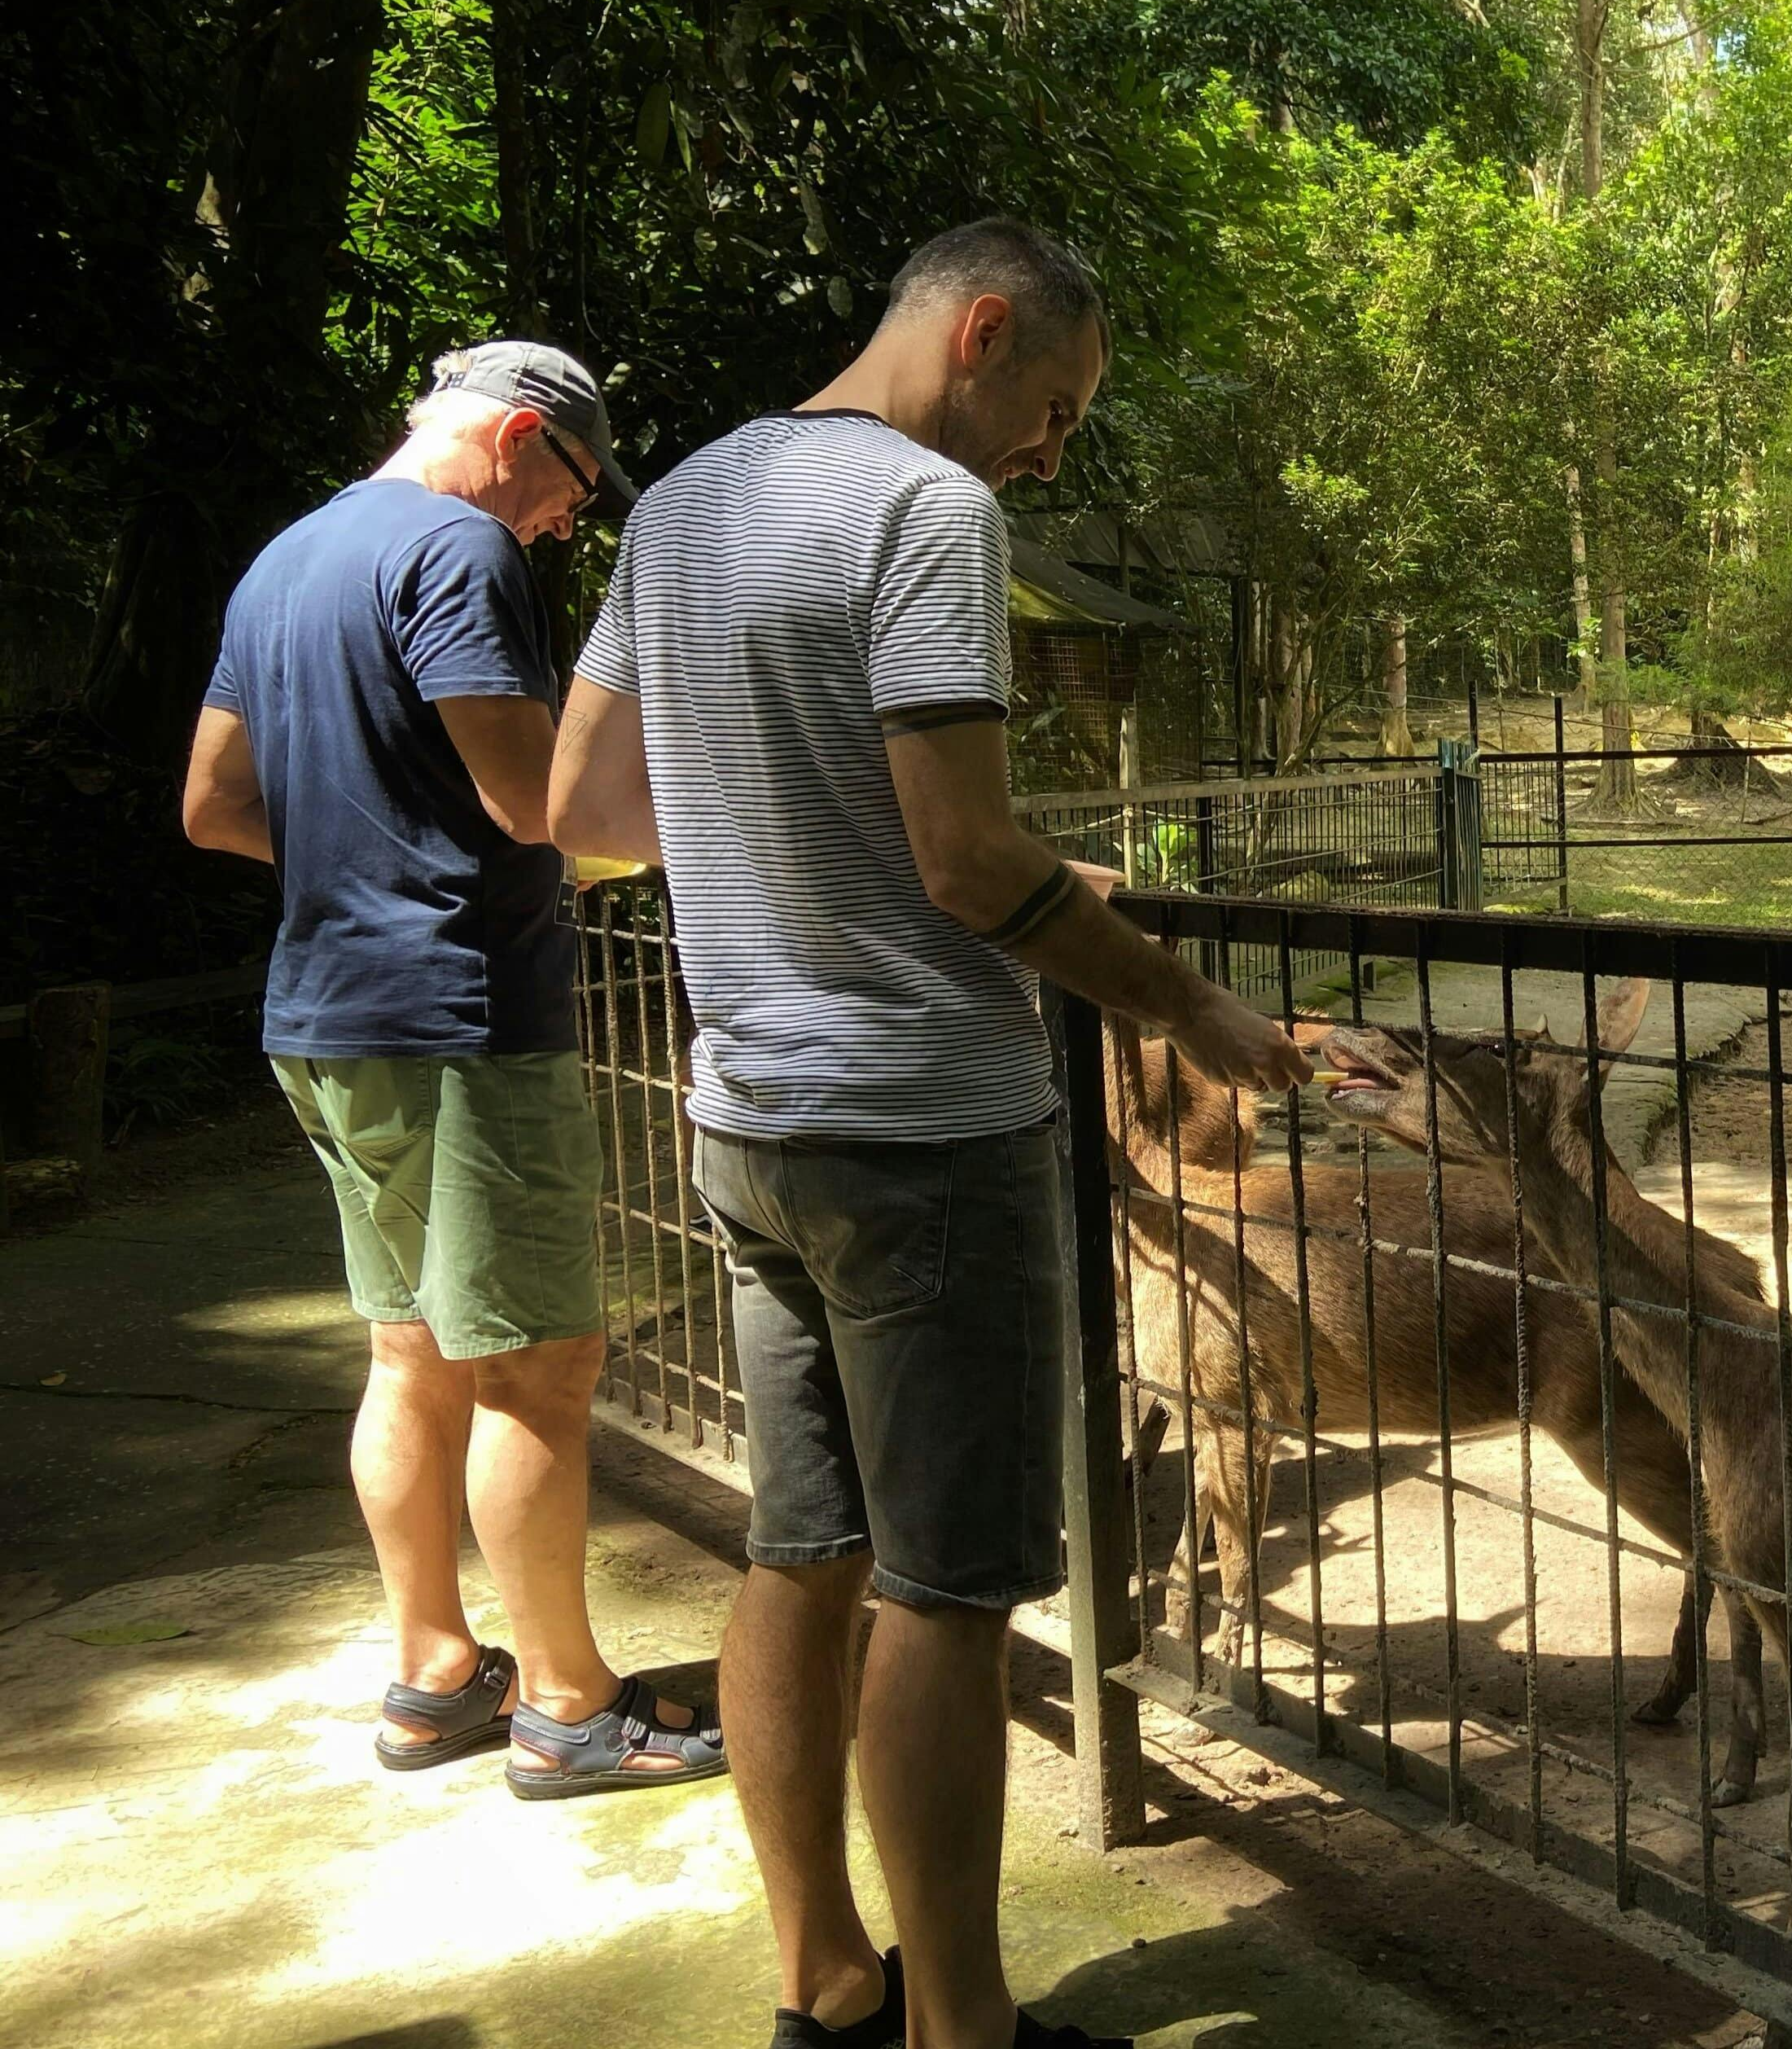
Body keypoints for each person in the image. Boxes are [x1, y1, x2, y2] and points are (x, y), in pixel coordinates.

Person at [547, 217, 1308, 2049]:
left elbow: (585, 805)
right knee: (947, 1596)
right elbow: (965, 859)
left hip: (751, 1126)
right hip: (922, 1135)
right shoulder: (926, 511)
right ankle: (962, 2029)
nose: (1051, 452)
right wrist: (1190, 1007)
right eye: (1057, 406)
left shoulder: (681, 503)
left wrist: (808, 848)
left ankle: (825, 1988)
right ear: (980, 332)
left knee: (796, 1555)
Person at [180, 341, 730, 1801]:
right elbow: (535, 802)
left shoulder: (284, 562)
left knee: (411, 1351)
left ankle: (433, 1674)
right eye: (574, 487)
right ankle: (566, 1707)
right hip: (462, 1020)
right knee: (540, 1367)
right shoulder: (458, 546)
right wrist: (695, 836)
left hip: (323, 1015)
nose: (563, 522)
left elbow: (213, 806)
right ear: (519, 435)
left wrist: (363, 865)